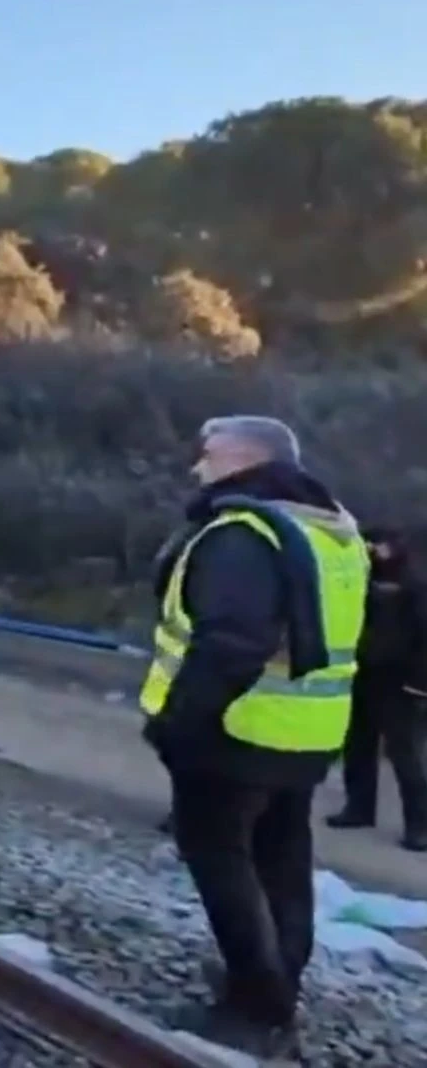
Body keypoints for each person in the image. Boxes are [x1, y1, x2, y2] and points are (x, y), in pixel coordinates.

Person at [141, 415, 367, 1053]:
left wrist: (177, 725)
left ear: (244, 459)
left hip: (234, 731)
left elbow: (232, 644)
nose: (197, 468)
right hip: (307, 732)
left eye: (207, 454)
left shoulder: (244, 532)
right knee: (282, 859)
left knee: (221, 858)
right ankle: (276, 985)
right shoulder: (329, 529)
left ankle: (255, 1005)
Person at [324, 526, 427, 851]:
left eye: (378, 544)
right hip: (362, 672)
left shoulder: (414, 585)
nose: (372, 549)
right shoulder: (362, 579)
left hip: (399, 681)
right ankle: (359, 808)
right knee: (357, 745)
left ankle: (419, 825)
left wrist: (419, 683)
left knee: (404, 753)